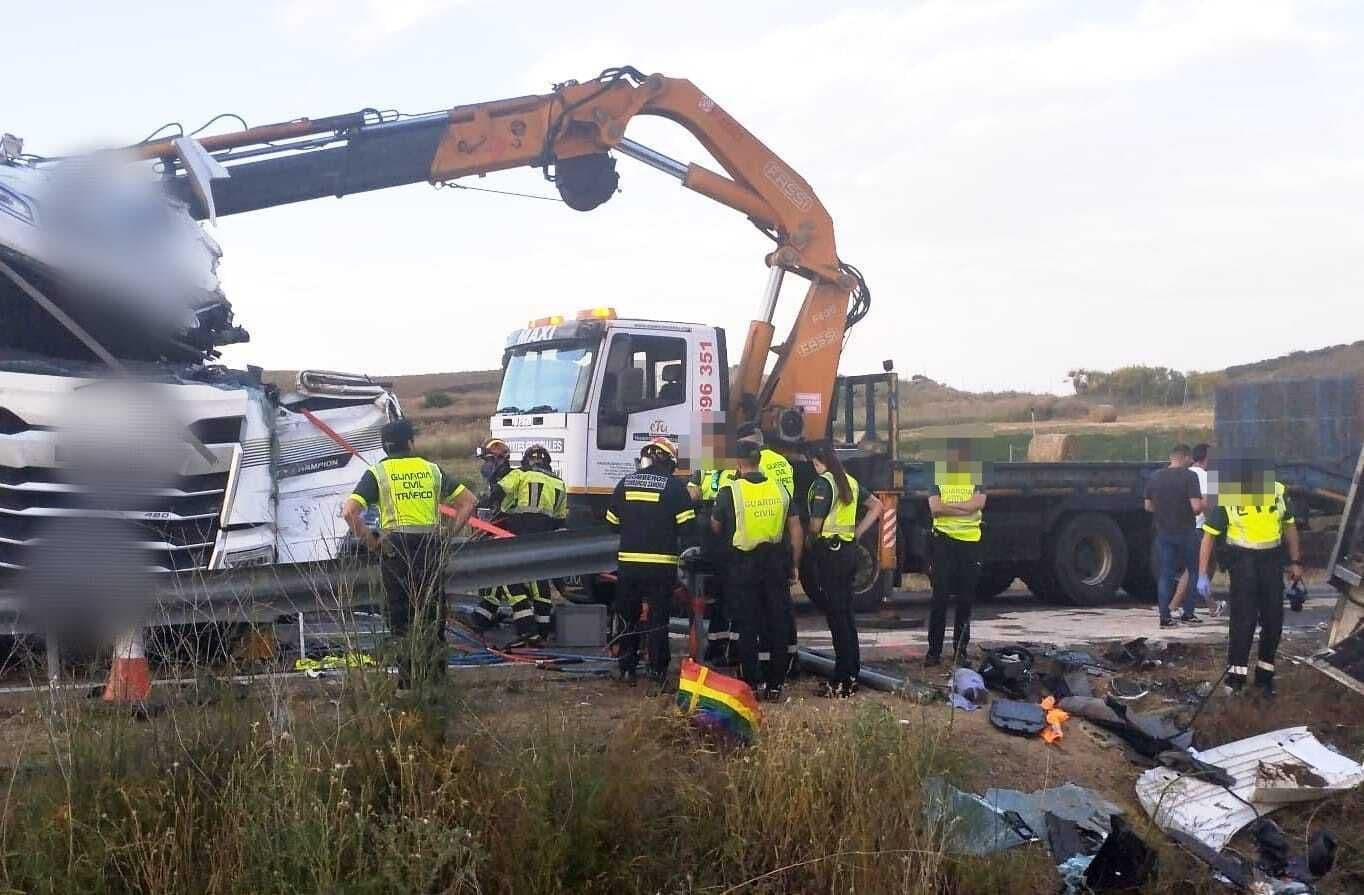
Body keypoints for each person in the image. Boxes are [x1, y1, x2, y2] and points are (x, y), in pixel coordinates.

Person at [341, 418, 476, 689]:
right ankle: (436, 686)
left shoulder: (378, 473)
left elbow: (349, 512)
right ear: (411, 443)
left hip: (395, 551)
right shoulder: (431, 469)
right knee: (432, 618)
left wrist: (371, 541)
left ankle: (407, 686)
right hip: (429, 549)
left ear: (385, 446)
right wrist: (448, 535)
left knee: (401, 621)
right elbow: (469, 501)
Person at [1197, 461, 1302, 697]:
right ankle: (1235, 679)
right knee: (1243, 621)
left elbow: (1290, 526)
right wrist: (1202, 573)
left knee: (1273, 620)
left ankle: (1265, 677)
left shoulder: (1277, 491)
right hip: (1243, 562)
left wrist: (1296, 561)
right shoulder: (1231, 495)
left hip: (1271, 562)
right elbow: (1209, 535)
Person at [711, 433, 802, 702]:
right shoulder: (779, 490)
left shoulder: (732, 490)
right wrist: (794, 564)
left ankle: (752, 683)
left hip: (744, 564)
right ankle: (776, 685)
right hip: (775, 561)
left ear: (738, 463)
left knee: (747, 625)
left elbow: (716, 526)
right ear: (760, 460)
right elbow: (795, 527)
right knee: (777, 624)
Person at [605, 438, 696, 684]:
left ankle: (626, 668)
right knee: (657, 619)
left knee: (627, 617)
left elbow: (612, 524)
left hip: (628, 565)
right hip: (660, 565)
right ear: (670, 462)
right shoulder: (675, 487)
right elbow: (687, 527)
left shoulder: (625, 483)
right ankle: (657, 672)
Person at [805, 441, 882, 697]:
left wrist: (806, 542)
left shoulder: (823, 483)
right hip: (847, 552)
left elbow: (816, 526)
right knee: (846, 617)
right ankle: (850, 673)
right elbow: (877, 506)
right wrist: (857, 533)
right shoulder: (849, 480)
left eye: (813, 463)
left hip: (831, 554)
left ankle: (842, 681)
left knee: (837, 618)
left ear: (818, 461)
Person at [485, 444, 568, 641]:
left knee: (509, 574)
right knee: (540, 577)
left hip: (520, 532)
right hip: (545, 536)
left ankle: (526, 626)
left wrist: (486, 504)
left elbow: (499, 491)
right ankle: (543, 628)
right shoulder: (559, 483)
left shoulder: (520, 474)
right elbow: (560, 518)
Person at [925, 440, 988, 667]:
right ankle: (934, 652)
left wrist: (951, 508)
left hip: (970, 542)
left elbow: (978, 504)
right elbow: (935, 507)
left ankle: (960, 651)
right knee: (939, 598)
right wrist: (964, 508)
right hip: (943, 542)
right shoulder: (939, 476)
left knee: (966, 599)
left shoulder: (975, 475)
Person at [1144, 443, 1205, 628]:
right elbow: (1195, 507)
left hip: (1163, 531)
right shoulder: (1190, 476)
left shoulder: (1155, 477)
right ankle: (1188, 613)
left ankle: (1165, 617)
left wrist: (1162, 511)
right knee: (1194, 571)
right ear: (1186, 457)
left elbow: (1148, 506)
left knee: (1166, 574)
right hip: (1186, 531)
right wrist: (1204, 506)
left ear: (1171, 457)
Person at [689, 467, 739, 664]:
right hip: (706, 527)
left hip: (728, 526)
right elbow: (692, 490)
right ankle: (713, 649)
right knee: (711, 595)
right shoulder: (703, 464)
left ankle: (728, 649)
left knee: (729, 595)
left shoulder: (736, 466)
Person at [1170, 442, 1212, 618]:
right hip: (1199, 527)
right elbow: (1210, 504)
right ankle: (1174, 606)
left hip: (1180, 525)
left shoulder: (1183, 474)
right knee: (1194, 568)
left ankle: (1211, 604)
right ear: (1207, 459)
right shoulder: (1207, 477)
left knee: (1199, 567)